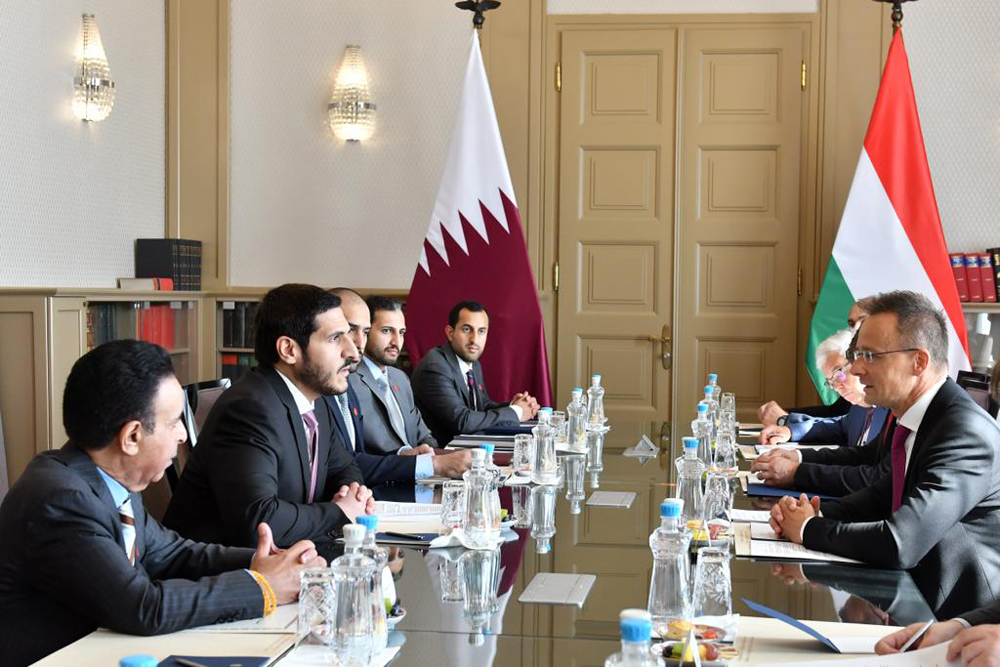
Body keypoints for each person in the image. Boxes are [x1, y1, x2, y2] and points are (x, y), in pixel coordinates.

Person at [0, 340, 325, 666]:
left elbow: (172, 554)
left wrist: (265, 562)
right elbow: (142, 607)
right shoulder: (61, 500)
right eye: (174, 423)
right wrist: (263, 586)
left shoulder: (106, 477)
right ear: (132, 437)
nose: (183, 435)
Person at [769, 290, 1000, 619]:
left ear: (918, 362)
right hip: (909, 600)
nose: (856, 368)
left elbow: (901, 542)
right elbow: (881, 496)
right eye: (856, 354)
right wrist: (813, 512)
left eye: (870, 355)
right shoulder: (923, 417)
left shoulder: (965, 432)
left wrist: (808, 528)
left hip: (958, 623)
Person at [164, 284, 371, 548]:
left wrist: (352, 493)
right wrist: (340, 512)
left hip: (290, 555)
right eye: (335, 338)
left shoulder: (315, 401)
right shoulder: (249, 409)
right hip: (225, 566)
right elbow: (259, 521)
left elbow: (343, 466)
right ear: (289, 350)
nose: (352, 352)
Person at [329, 289, 471, 482]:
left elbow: (424, 436)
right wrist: (421, 461)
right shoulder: (345, 379)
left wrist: (431, 455)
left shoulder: (400, 378)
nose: (397, 342)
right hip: (377, 482)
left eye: (401, 332)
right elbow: (357, 455)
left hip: (416, 477)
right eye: (386, 331)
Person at [751, 328, 890, 496]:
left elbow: (873, 477)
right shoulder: (860, 406)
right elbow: (841, 428)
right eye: (831, 383)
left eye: (838, 374)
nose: (837, 387)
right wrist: (793, 438)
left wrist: (796, 472)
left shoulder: (890, 410)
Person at [411, 300, 539, 446]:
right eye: (467, 329)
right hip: (440, 453)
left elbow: (481, 407)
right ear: (450, 333)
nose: (474, 339)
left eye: (481, 331)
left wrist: (514, 406)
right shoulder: (435, 367)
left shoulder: (473, 363)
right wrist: (516, 412)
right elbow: (462, 421)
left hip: (467, 447)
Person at [758, 297, 876, 425]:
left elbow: (838, 424)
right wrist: (785, 415)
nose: (854, 329)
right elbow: (836, 414)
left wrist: (784, 419)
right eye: (851, 324)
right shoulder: (855, 387)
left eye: (863, 321)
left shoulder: (879, 389)